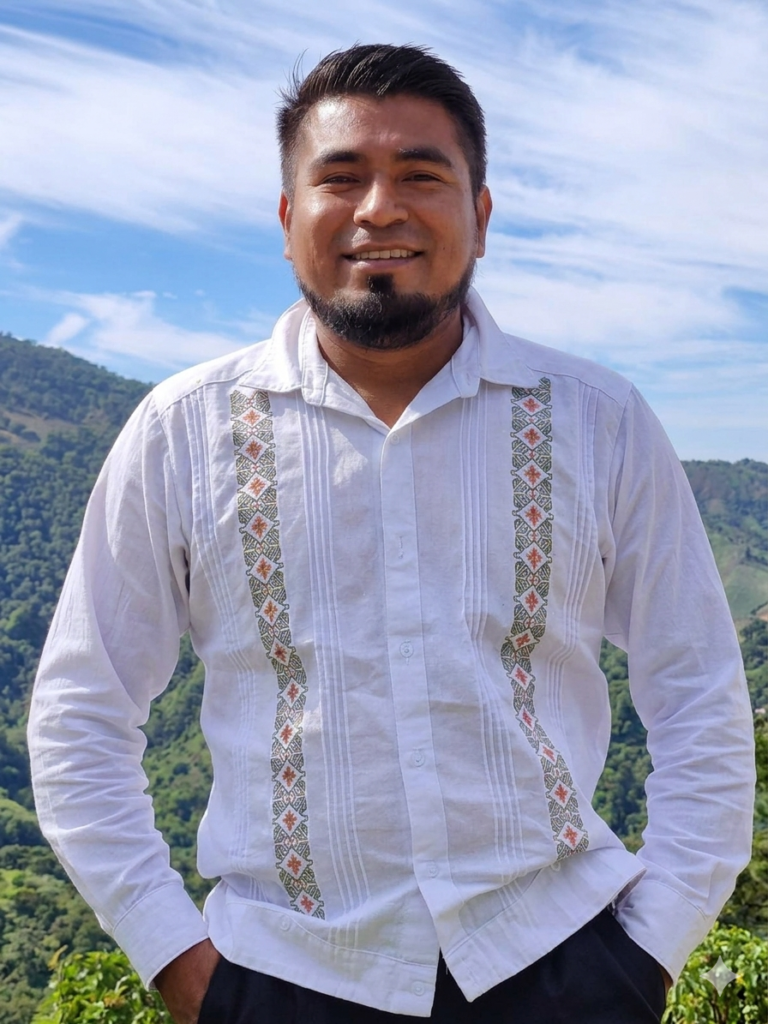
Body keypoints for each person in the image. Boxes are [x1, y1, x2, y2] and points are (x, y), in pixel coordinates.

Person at [28, 43, 755, 1024]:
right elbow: (80, 714)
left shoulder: (599, 421)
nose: (379, 209)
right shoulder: (181, 433)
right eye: (340, 177)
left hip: (562, 963)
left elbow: (701, 700)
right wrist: (184, 969)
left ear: (481, 216)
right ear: (288, 220)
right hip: (283, 976)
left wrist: (647, 957)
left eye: (421, 175)